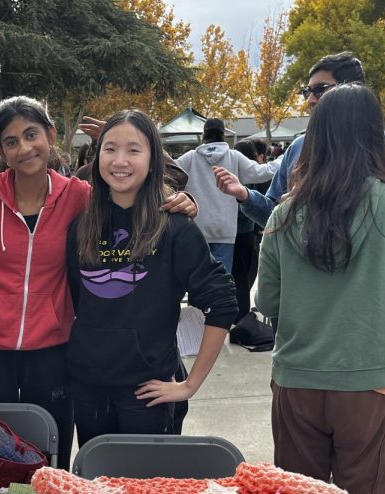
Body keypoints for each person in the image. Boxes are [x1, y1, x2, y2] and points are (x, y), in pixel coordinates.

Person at [0, 96, 198, 461]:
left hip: (54, 351)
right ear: (1, 150)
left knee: (50, 455)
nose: (24, 148)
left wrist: (182, 198)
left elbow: (140, 188)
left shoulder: (78, 196)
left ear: (51, 135)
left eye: (32, 134)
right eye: (11, 141)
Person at [250, 84, 385, 494]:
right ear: (377, 138)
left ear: (315, 138)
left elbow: (267, 303)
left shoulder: (285, 213)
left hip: (297, 381)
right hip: (369, 384)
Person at [66, 109, 237, 445]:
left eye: (134, 149)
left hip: (148, 396)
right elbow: (80, 301)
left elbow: (223, 302)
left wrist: (190, 385)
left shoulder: (174, 228)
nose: (120, 160)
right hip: (87, 391)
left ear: (152, 158)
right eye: (110, 148)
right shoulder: (80, 228)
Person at [231, 52, 385, 228]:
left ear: (352, 89)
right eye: (307, 92)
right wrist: (245, 196)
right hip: (304, 258)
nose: (310, 100)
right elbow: (276, 218)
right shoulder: (298, 147)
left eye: (320, 90)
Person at [172, 116, 276, 272]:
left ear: (203, 135)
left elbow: (168, 174)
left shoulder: (190, 158)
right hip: (225, 230)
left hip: (197, 229)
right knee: (221, 283)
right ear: (223, 134)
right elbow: (262, 172)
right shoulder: (233, 157)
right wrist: (285, 158)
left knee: (197, 281)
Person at [231, 138, 273, 321]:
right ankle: (241, 316)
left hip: (235, 232)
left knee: (238, 276)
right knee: (243, 277)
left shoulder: (233, 173)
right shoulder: (252, 176)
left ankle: (239, 314)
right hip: (245, 233)